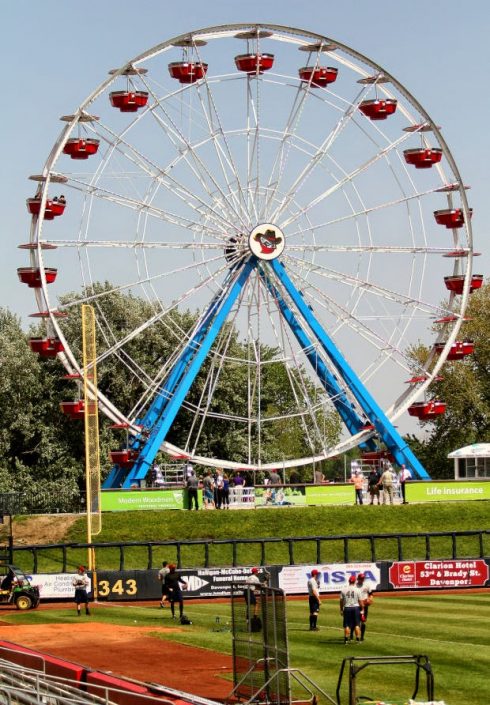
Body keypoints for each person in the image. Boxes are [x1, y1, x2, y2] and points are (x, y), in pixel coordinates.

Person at [339, 575, 363, 644]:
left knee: (347, 625)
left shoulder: (343, 590)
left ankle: (346, 640)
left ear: (349, 581)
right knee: (357, 624)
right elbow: (360, 601)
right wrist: (362, 609)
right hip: (356, 608)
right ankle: (358, 640)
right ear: (355, 581)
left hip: (347, 608)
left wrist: (341, 609)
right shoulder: (357, 590)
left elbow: (341, 601)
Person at [356, 573, 374, 642]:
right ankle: (351, 635)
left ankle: (362, 637)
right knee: (355, 622)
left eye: (363, 579)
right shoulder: (355, 586)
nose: (362, 580)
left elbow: (371, 594)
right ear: (358, 579)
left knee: (363, 621)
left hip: (365, 605)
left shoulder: (367, 585)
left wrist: (370, 599)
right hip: (356, 605)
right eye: (361, 579)